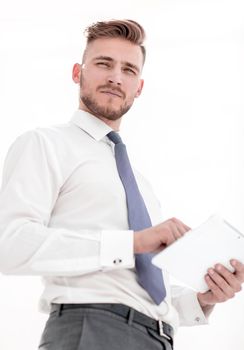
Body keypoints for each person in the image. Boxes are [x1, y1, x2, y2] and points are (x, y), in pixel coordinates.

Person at [0, 19, 243, 350]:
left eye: (129, 70)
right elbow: (9, 245)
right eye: (104, 64)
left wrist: (203, 299)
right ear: (77, 73)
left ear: (138, 87)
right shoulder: (44, 144)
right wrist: (132, 243)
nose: (116, 77)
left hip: (157, 340)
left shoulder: (141, 185)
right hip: (90, 331)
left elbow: (138, 289)